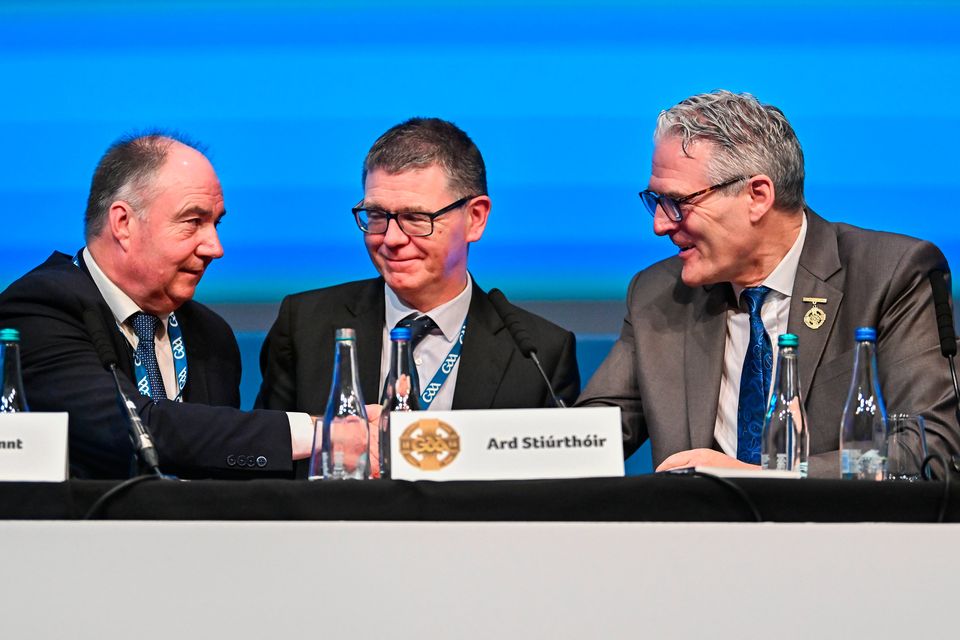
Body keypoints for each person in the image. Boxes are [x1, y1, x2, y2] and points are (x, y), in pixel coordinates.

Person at [577, 90, 960, 478]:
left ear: (757, 196)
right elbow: (586, 440)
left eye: (678, 202)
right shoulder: (658, 294)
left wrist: (763, 478)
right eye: (655, 201)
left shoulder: (890, 275)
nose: (660, 224)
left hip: (838, 532)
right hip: (698, 535)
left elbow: (928, 449)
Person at [0, 133, 314, 479]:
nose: (215, 247)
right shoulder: (41, 307)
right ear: (123, 223)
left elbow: (219, 462)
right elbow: (131, 427)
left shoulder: (212, 336)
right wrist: (319, 433)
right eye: (193, 222)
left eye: (215, 223)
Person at [257, 117, 580, 424]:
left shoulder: (539, 354)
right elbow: (267, 466)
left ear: (475, 218)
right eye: (377, 215)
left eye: (416, 218)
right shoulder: (305, 326)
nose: (392, 239)